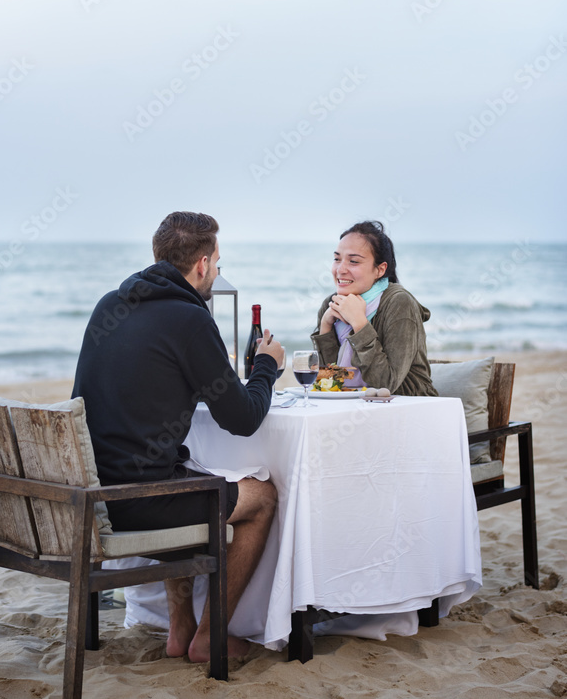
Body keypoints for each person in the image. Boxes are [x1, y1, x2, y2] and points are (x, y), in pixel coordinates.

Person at [72, 211, 284, 662]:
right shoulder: (190, 319)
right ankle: (211, 635)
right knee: (261, 497)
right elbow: (243, 419)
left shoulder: (110, 304)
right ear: (202, 265)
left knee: (182, 472)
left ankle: (181, 627)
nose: (216, 273)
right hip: (138, 503)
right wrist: (267, 365)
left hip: (93, 492)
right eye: (218, 264)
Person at [311, 220, 437, 396]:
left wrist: (360, 324)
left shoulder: (399, 303)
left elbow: (386, 384)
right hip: (354, 405)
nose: (341, 269)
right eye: (337, 259)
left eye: (353, 261)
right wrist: (325, 328)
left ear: (380, 269)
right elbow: (330, 383)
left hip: (406, 407)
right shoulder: (331, 305)